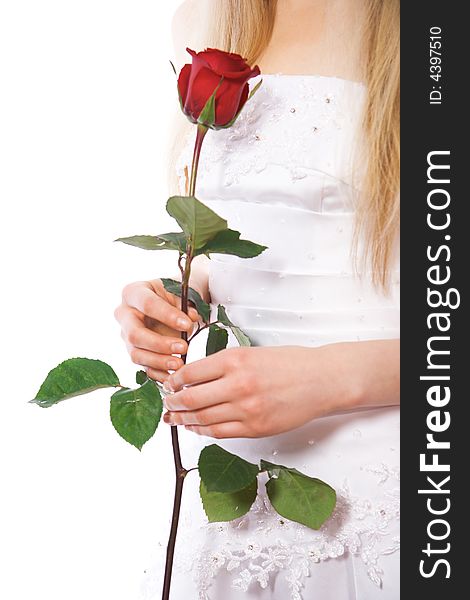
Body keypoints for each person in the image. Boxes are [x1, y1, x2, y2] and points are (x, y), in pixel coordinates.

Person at [114, 1, 400, 598]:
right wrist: (181, 293)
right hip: (235, 488)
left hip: (394, 475)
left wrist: (331, 377)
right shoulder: (204, 21)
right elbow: (250, 230)